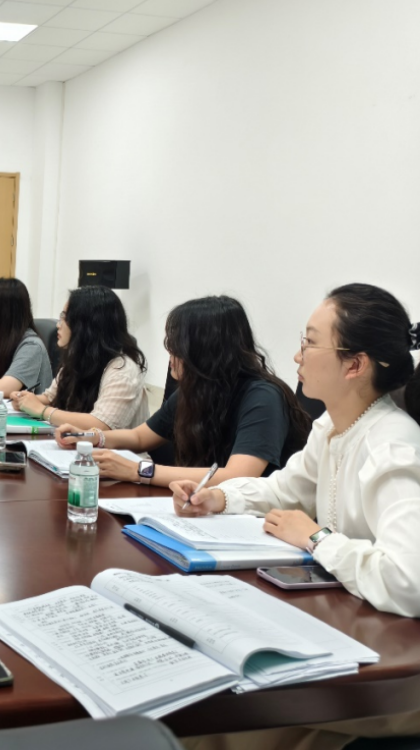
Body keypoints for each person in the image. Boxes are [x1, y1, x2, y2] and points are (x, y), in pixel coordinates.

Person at [177, 287, 420, 750]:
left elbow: (409, 580)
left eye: (309, 342)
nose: (297, 355)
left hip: (397, 663)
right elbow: (283, 489)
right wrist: (218, 498)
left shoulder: (392, 447)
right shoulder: (332, 427)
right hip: (355, 628)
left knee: (233, 717)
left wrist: (318, 538)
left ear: (355, 364)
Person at [55, 295, 310, 488]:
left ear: (204, 352)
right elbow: (140, 437)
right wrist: (90, 437)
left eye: (176, 347)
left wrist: (138, 470)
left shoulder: (263, 397)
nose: (170, 355)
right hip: (203, 506)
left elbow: (238, 476)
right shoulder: (199, 388)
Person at [12, 286, 148, 430]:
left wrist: (42, 411)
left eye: (65, 318)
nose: (58, 325)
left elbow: (101, 424)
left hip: (108, 445)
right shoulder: (79, 358)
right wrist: (25, 400)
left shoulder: (122, 370)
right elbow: (50, 398)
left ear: (86, 326)